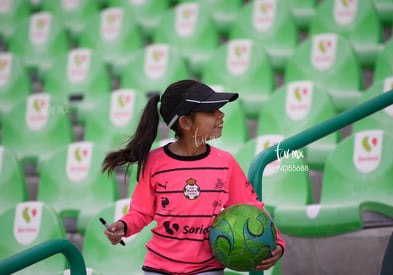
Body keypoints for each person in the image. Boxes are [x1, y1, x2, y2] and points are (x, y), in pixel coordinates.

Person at [102, 80, 285, 275]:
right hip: (158, 268)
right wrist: (123, 226)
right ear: (186, 123)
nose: (221, 115)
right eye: (211, 111)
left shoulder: (225, 162)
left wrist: (278, 244)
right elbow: (141, 213)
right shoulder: (154, 163)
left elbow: (251, 208)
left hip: (207, 269)